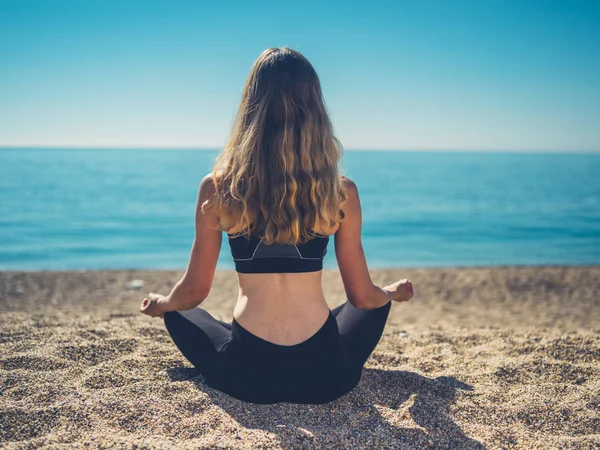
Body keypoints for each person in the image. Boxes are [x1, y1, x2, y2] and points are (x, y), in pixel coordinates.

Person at [140, 47, 414, 404]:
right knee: (375, 301)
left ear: (251, 107)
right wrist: (391, 294)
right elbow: (362, 298)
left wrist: (163, 303)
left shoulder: (219, 188)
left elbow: (192, 293)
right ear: (315, 110)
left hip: (247, 375)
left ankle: (216, 324)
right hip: (327, 375)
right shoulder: (340, 192)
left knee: (180, 310)